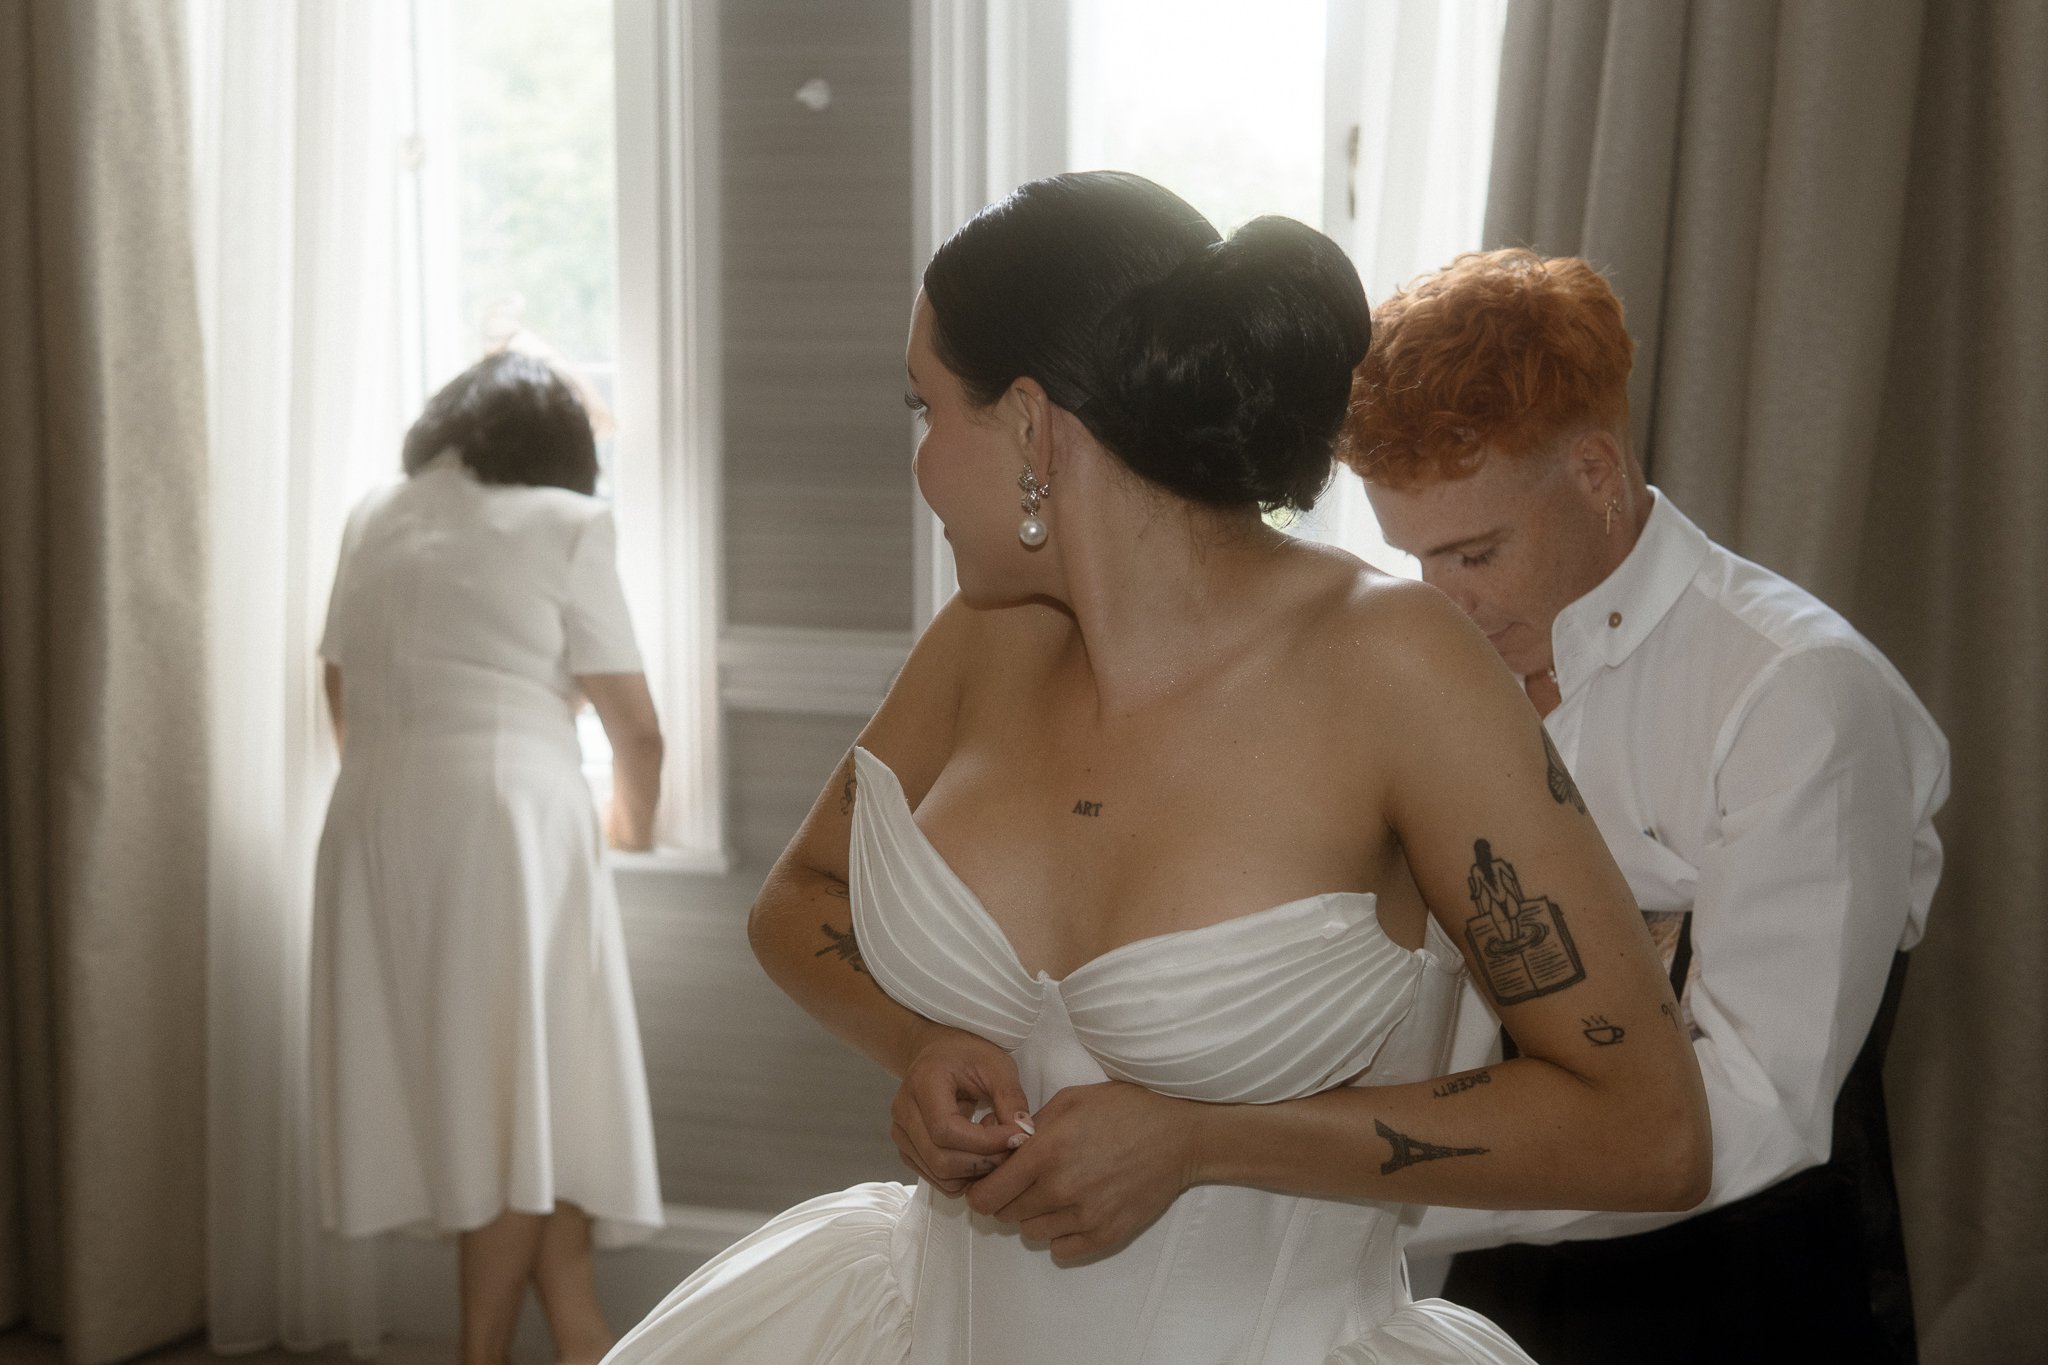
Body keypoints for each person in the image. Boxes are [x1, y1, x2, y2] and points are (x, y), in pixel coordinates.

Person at [603, 172, 1709, 1365]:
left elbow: (1645, 1131)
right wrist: (919, 1043)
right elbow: (794, 906)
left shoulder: (1399, 669)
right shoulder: (986, 634)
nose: (919, 467)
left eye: (926, 411)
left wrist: (1202, 1139)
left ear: (1029, 423)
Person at [1346, 248, 1950, 1364]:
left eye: (1474, 552)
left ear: (1593, 471)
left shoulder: (1793, 690)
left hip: (1738, 1288)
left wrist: (1363, 1194)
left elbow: (1756, 1101)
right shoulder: (1436, 665)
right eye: (1413, 559)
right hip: (1486, 1275)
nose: (1443, 601)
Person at [312, 352, 667, 1365]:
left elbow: (337, 686)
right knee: (513, 1095)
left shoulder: (374, 513)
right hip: (510, 822)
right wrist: (628, 831)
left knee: (511, 1088)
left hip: (373, 817)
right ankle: (482, 1354)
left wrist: (398, 792)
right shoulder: (566, 525)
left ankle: (579, 1334)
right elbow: (635, 728)